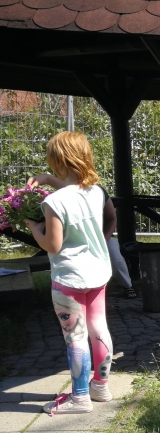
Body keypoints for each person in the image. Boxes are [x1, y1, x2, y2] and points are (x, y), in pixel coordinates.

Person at [25, 132, 115, 415]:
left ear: (57, 160)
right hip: (98, 271)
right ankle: (100, 386)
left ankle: (80, 398)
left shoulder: (54, 202)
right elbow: (83, 195)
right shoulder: (97, 192)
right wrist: (49, 179)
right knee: (99, 327)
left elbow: (52, 244)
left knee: (75, 336)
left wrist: (34, 229)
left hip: (68, 278)